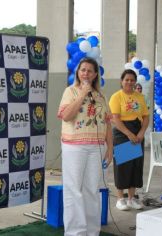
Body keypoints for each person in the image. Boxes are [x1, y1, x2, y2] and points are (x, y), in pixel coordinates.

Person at [57, 57, 113, 236]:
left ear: (96, 74)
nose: (86, 73)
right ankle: (75, 232)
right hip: (74, 147)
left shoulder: (101, 96)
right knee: (74, 190)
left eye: (90, 70)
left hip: (96, 148)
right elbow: (66, 116)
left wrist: (110, 148)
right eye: (83, 70)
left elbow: (108, 124)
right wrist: (82, 94)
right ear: (78, 73)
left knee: (92, 190)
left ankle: (92, 231)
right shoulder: (70, 91)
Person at [109, 69, 149, 211]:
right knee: (123, 165)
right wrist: (129, 134)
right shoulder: (117, 97)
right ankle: (121, 198)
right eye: (127, 79)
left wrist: (141, 133)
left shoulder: (140, 97)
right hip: (122, 132)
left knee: (135, 165)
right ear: (122, 81)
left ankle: (132, 198)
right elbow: (116, 119)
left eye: (132, 80)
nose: (129, 82)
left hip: (137, 131)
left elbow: (145, 117)